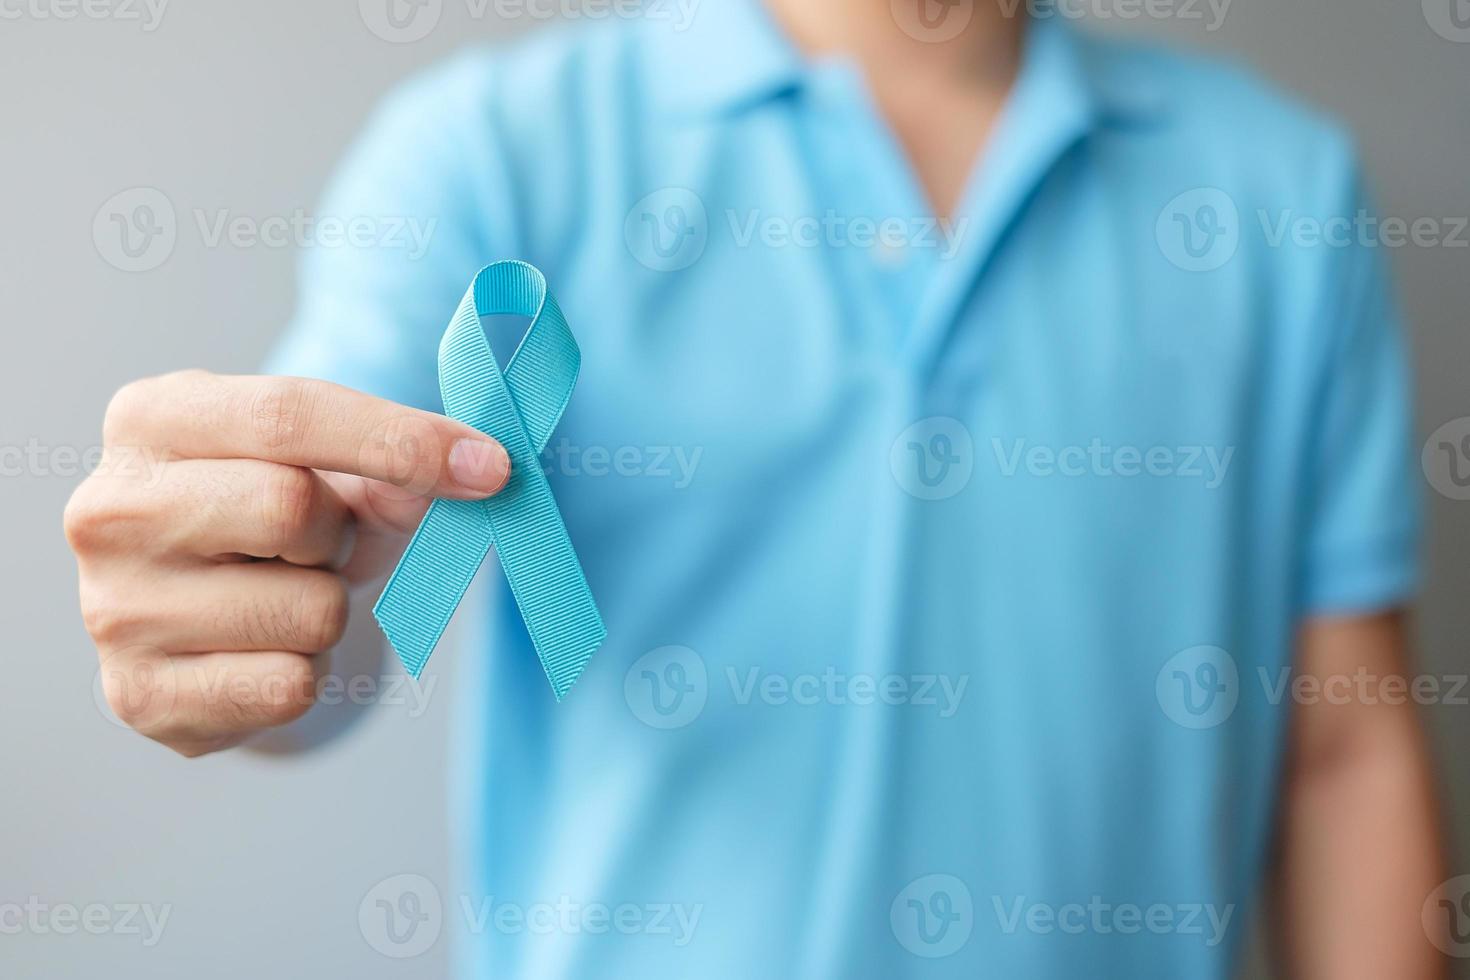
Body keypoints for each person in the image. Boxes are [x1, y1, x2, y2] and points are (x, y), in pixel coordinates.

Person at [63, 1, 1448, 976]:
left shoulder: (1278, 196)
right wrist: (244, 611)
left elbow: (1338, 747)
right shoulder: (496, 154)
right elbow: (341, 583)